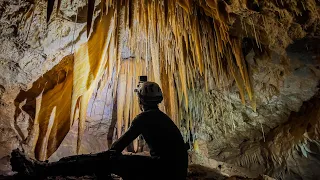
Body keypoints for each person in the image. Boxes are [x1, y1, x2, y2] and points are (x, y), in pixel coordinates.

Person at [11, 80, 188, 180]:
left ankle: (43, 170)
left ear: (140, 100)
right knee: (111, 159)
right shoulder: (162, 117)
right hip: (174, 171)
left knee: (103, 160)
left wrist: (105, 157)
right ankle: (50, 166)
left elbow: (118, 146)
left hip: (163, 173)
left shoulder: (144, 118)